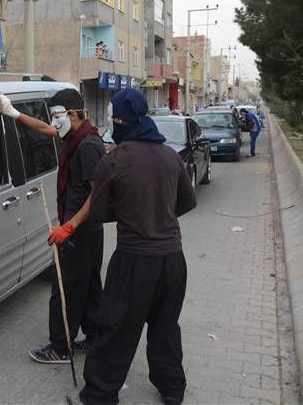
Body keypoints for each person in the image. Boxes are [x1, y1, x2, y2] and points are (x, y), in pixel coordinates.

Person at [49, 89, 196, 405]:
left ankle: (99, 394)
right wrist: (158, 214)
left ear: (122, 120)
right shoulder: (170, 156)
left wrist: (131, 213)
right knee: (165, 327)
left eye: (114, 116)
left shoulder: (114, 160)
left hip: (134, 260)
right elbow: (187, 200)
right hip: (173, 260)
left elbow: (99, 213)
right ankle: (173, 390)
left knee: (115, 327)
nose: (112, 123)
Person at [0, 88, 106, 364]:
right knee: (89, 286)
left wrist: (69, 227)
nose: (55, 121)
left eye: (59, 115)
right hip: (83, 231)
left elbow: (98, 194)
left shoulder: (88, 147)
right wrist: (13, 113)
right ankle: (94, 337)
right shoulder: (73, 134)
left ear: (74, 114)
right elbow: (46, 130)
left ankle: (60, 347)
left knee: (65, 289)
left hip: (79, 233)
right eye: (53, 115)